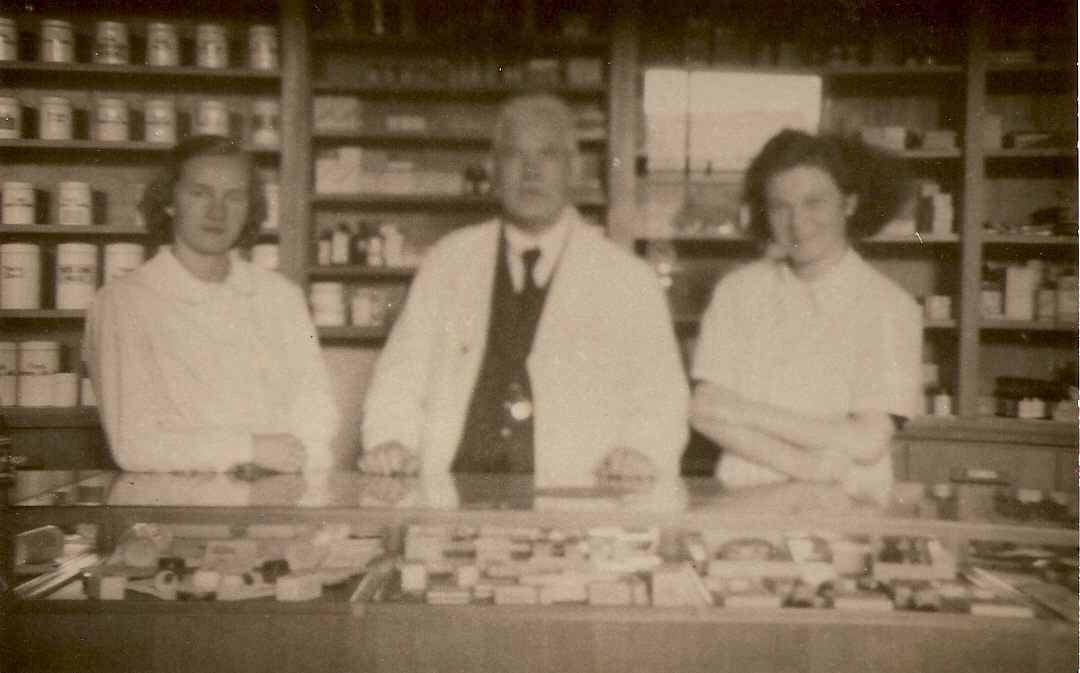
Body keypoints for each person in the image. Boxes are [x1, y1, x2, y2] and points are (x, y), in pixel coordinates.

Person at [358, 93, 689, 486]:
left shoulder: (628, 279)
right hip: (453, 497)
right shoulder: (447, 262)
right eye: (514, 156)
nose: (530, 172)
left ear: (575, 169)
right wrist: (392, 441)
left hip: (575, 502)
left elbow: (662, 399)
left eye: (548, 155)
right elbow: (400, 378)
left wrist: (641, 451)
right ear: (492, 169)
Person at [690, 129, 922, 504]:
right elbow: (703, 412)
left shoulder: (889, 307)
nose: (797, 222)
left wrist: (744, 412)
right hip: (743, 506)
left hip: (846, 511)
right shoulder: (738, 291)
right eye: (781, 206)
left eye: (813, 202)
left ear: (849, 203)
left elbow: (866, 442)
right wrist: (806, 466)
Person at [85, 136, 340, 473]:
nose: (217, 211)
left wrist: (299, 465)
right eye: (200, 192)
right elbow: (134, 444)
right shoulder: (125, 302)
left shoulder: (281, 296)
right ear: (169, 201)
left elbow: (317, 409)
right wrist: (247, 449)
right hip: (178, 513)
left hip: (278, 506)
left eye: (234, 196)